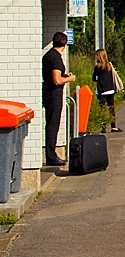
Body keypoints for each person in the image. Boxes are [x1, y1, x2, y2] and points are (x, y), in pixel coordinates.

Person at [42, 32, 75, 167]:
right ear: (65, 43)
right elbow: (56, 80)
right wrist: (69, 79)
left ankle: (51, 153)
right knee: (53, 124)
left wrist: (64, 75)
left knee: (51, 123)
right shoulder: (55, 58)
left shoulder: (48, 55)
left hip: (48, 92)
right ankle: (51, 155)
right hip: (54, 94)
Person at [92, 49, 121, 132]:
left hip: (101, 90)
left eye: (97, 55)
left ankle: (103, 127)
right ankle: (113, 126)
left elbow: (94, 78)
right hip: (110, 90)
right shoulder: (109, 66)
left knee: (102, 109)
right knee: (111, 108)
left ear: (99, 56)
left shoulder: (97, 67)